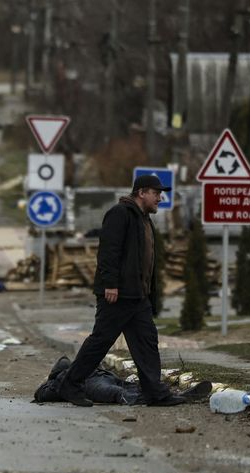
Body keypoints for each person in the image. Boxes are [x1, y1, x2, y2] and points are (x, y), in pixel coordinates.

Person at [58, 174, 182, 408]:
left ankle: (155, 393)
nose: (160, 198)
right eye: (156, 193)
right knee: (101, 342)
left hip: (137, 296)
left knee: (147, 342)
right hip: (119, 294)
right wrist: (110, 284)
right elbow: (108, 252)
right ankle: (69, 384)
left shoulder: (144, 218)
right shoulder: (120, 214)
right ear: (142, 192)